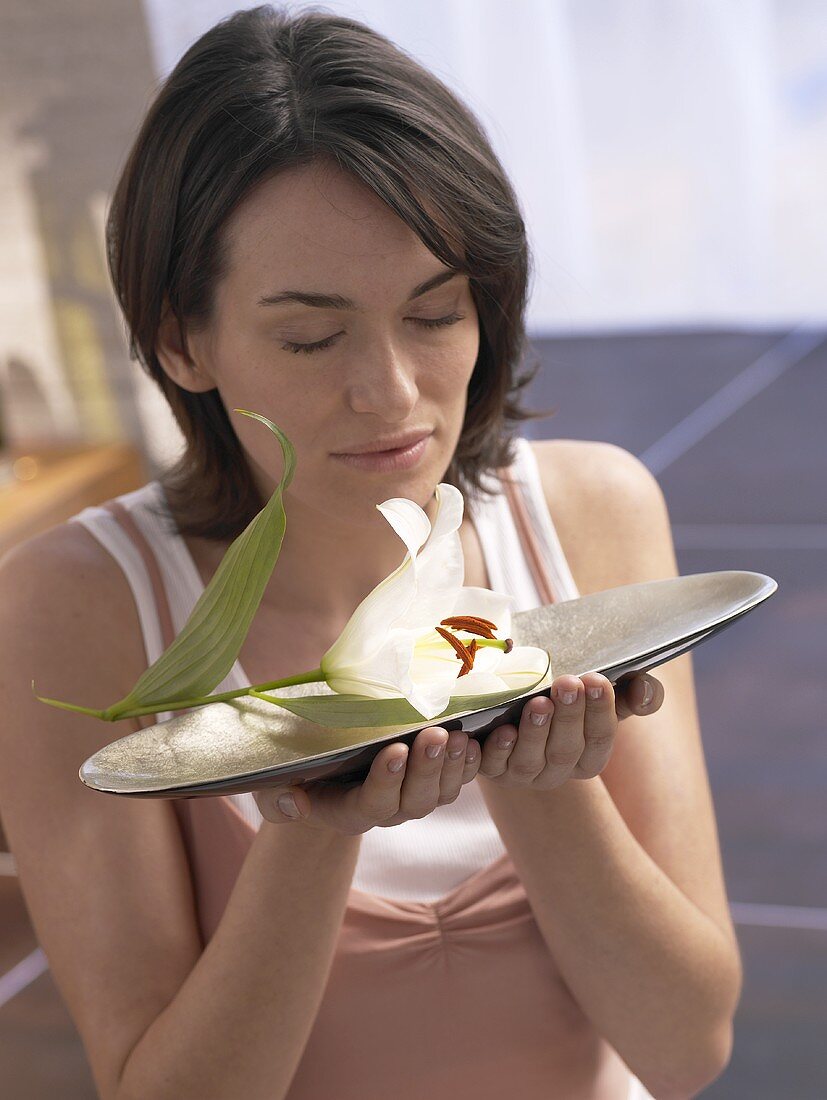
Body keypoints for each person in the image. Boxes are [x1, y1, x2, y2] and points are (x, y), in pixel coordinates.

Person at [0, 6, 742, 1099]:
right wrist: (306, 832)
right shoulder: (76, 602)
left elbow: (685, 1052)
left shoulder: (592, 512)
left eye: (435, 313)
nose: (392, 396)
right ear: (179, 338)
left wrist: (541, 780)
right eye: (311, 336)